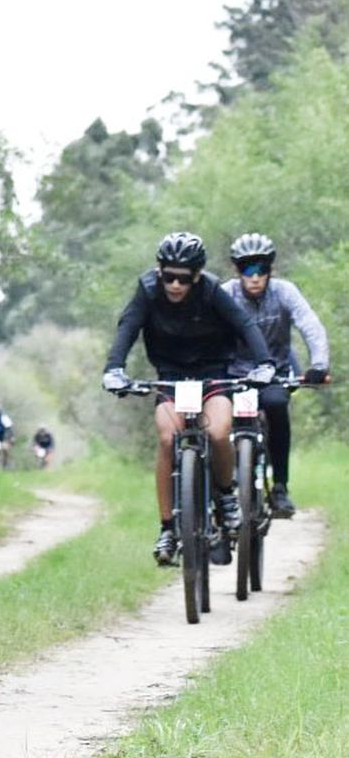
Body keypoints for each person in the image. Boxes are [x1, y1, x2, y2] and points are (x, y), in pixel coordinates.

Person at [102, 231, 274, 566]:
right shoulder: (148, 290)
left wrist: (265, 363)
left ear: (197, 276)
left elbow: (246, 325)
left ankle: (225, 496)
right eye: (168, 277)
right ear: (159, 271)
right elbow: (128, 327)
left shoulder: (211, 290)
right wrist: (114, 369)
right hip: (170, 375)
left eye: (183, 279)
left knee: (219, 431)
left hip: (213, 372)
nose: (175, 286)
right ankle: (167, 527)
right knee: (168, 438)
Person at [223, 232, 332, 518]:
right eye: (248, 269)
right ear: (238, 271)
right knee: (220, 418)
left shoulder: (285, 292)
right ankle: (226, 483)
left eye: (262, 269)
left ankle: (280, 486)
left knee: (276, 406)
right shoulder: (225, 294)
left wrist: (319, 364)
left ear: (271, 270)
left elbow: (311, 325)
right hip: (235, 372)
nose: (255, 277)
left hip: (276, 371)